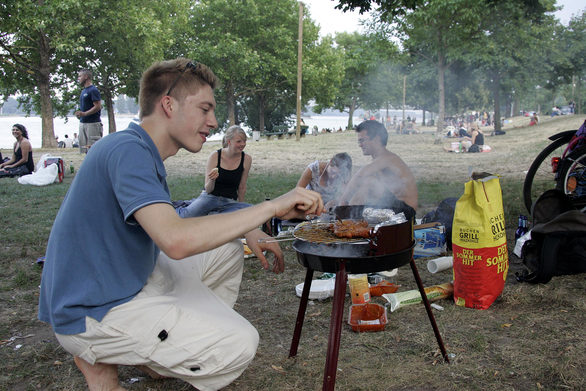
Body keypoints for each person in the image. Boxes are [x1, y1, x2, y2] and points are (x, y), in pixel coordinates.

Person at [37, 58, 324, 391]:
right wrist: (271, 206)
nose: (213, 122)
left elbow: (170, 220)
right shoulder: (128, 151)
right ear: (168, 104)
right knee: (238, 343)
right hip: (91, 308)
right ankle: (103, 348)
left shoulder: (138, 150)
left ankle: (157, 353)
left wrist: (247, 227)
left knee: (227, 251)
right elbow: (175, 239)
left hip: (122, 281)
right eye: (204, 109)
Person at [337, 120, 418, 210]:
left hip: (407, 211)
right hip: (395, 207)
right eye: (359, 142)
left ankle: (347, 217)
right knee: (370, 183)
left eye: (362, 140)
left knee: (369, 182)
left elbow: (360, 176)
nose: (360, 145)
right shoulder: (379, 161)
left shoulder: (388, 158)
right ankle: (348, 216)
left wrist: (342, 202)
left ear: (376, 139)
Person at [176, 125, 252, 218]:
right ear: (229, 142)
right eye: (239, 141)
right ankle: (181, 206)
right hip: (209, 197)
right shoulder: (215, 156)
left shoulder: (246, 159)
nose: (243, 144)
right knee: (184, 217)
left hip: (229, 201)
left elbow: (242, 187)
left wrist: (241, 206)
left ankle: (212, 213)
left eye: (244, 141)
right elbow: (208, 189)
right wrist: (212, 179)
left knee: (244, 216)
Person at [75, 69, 103, 153]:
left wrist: (84, 114)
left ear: (86, 77)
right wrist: (79, 114)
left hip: (92, 124)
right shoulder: (83, 91)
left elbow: (98, 106)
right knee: (84, 150)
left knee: (94, 150)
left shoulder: (93, 90)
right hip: (83, 123)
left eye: (80, 76)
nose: (78, 78)